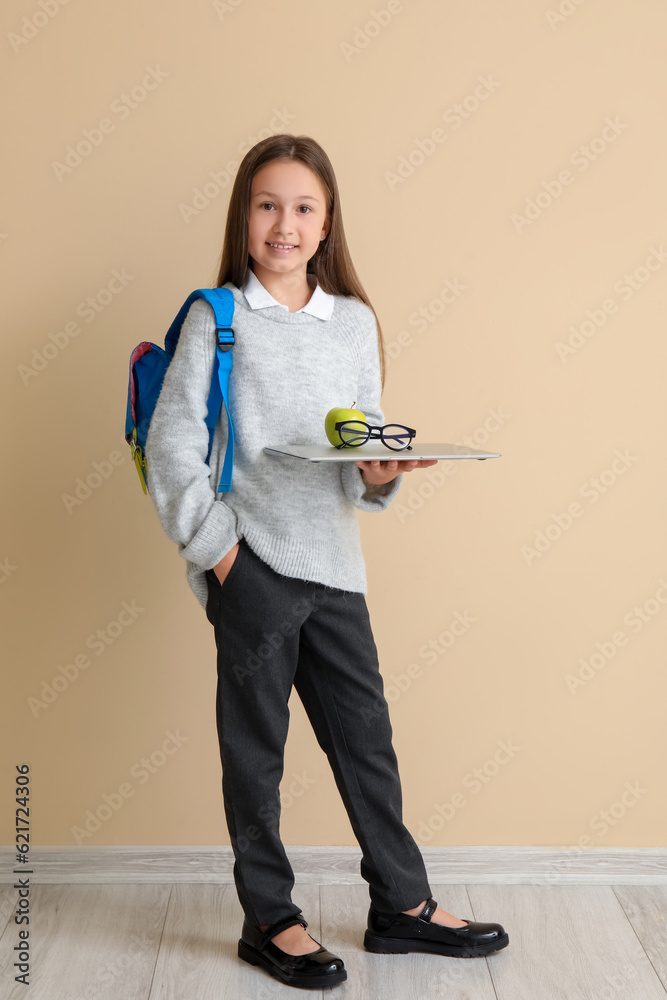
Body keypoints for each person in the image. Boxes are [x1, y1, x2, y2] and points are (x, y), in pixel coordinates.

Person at [145, 134, 508, 990]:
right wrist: (223, 558)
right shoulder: (216, 318)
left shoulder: (351, 322)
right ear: (243, 217)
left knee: (366, 742)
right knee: (256, 755)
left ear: (327, 221)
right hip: (253, 568)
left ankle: (401, 906)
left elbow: (358, 446)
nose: (284, 223)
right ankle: (270, 920)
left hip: (334, 567)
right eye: (267, 204)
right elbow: (171, 451)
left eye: (303, 207)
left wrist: (380, 476)